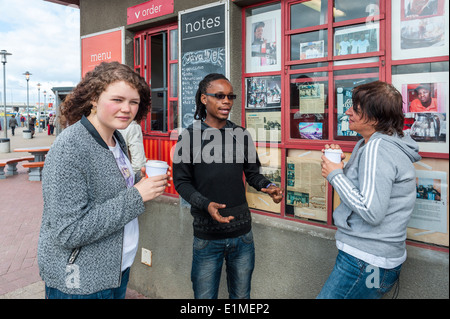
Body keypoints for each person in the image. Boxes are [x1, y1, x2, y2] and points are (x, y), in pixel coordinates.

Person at [38, 61, 170, 299]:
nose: (127, 109)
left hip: (116, 270)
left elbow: (110, 188)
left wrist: (142, 180)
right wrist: (137, 195)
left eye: (134, 102)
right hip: (80, 282)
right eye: (118, 100)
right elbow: (68, 231)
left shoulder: (116, 138)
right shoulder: (70, 147)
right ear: (94, 98)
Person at [173, 73, 283, 299]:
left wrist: (268, 186)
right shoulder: (189, 136)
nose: (227, 102)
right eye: (220, 96)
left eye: (230, 96)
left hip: (242, 236)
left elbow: (253, 174)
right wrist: (205, 204)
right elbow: (181, 182)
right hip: (207, 236)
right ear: (204, 99)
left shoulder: (241, 134)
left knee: (241, 298)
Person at [317, 81, 421, 299]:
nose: (347, 111)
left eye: (355, 108)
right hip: (371, 258)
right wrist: (340, 170)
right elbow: (370, 193)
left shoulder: (377, 147)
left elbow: (371, 211)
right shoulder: (378, 143)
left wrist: (336, 175)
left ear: (374, 118)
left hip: (365, 261)